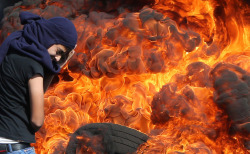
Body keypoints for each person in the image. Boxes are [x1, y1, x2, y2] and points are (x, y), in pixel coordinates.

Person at [0, 11, 77, 153]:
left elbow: (24, 95)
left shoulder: (12, 51)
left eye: (63, 55)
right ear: (49, 37)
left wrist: (56, 69)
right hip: (16, 148)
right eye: (59, 50)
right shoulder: (33, 66)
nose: (58, 57)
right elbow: (37, 121)